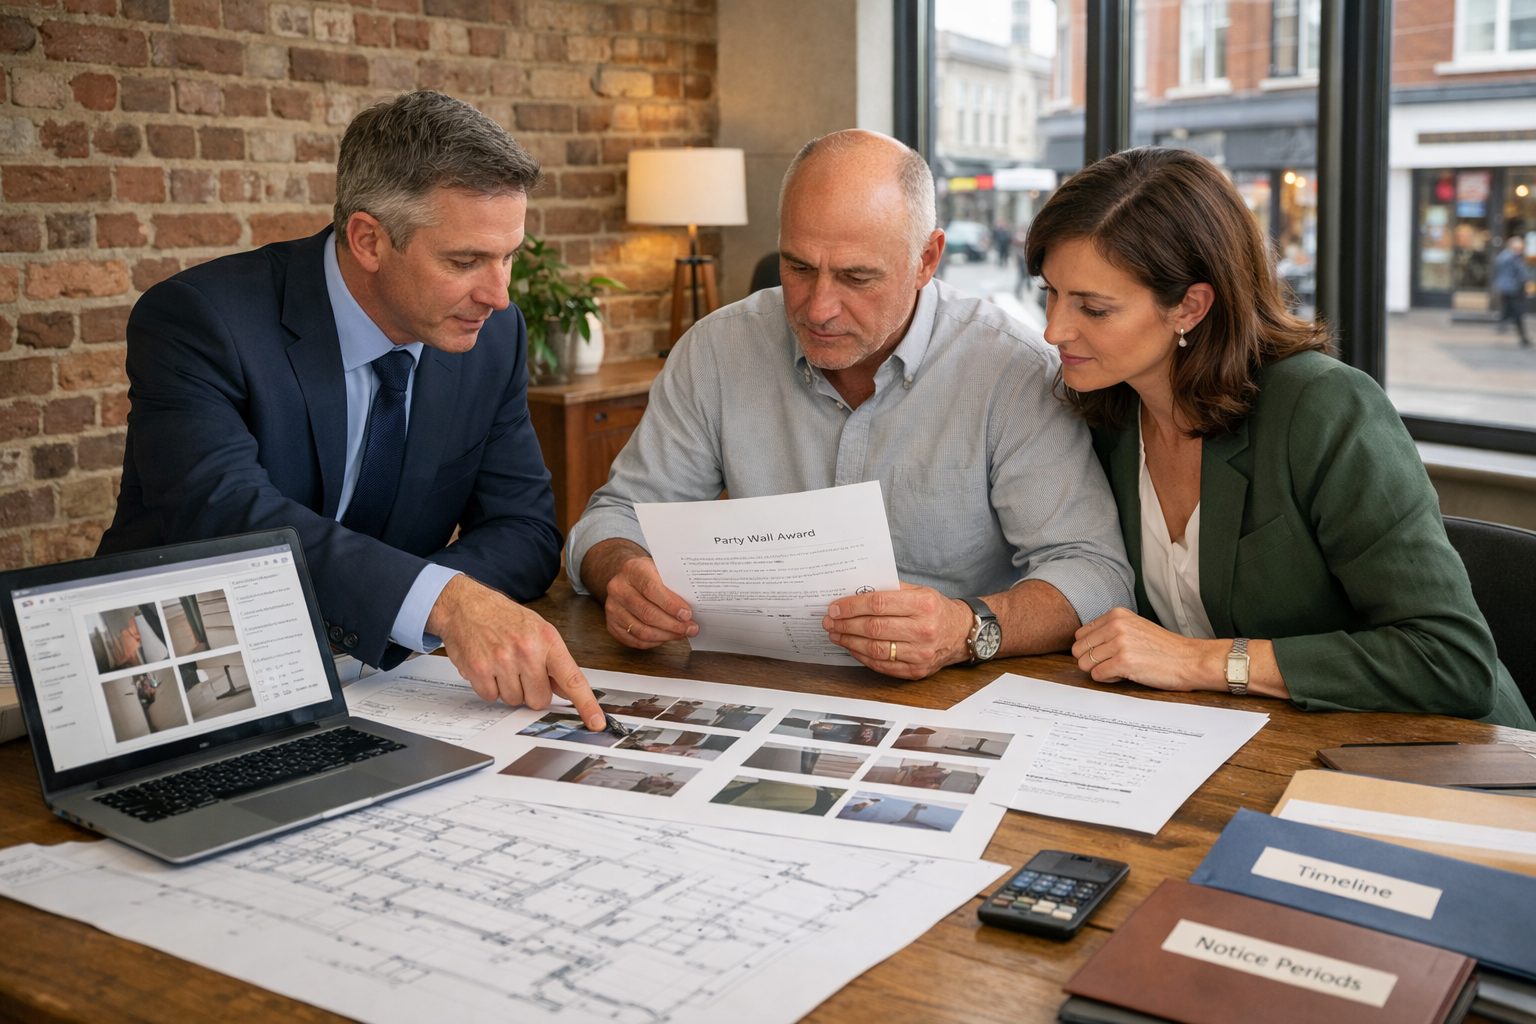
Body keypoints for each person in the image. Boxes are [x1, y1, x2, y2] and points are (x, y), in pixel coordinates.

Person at [98, 91, 605, 730]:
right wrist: (439, 604)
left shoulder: (491, 337)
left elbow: (525, 533)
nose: (498, 294)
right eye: (465, 261)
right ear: (367, 239)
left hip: (384, 686)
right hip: (184, 677)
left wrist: (412, 608)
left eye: (509, 256)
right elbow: (225, 520)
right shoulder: (201, 320)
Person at [566, 130, 1134, 679]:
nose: (818, 309)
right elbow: (613, 519)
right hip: (757, 680)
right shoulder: (717, 351)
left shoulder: (1012, 371)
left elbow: (1093, 572)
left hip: (945, 695)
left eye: (857, 276)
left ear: (926, 259)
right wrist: (622, 572)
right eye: (798, 267)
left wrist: (967, 626)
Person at [1023, 146, 1534, 727]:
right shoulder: (1105, 416)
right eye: (1051, 292)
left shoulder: (1323, 407)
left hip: (1448, 766)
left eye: (1093, 307)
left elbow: (1450, 661)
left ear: (1190, 305)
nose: (1054, 329)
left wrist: (1205, 662)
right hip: (1247, 746)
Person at [1494, 235, 1530, 347]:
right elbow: (1522, 273)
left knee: (1510, 311)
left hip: (1506, 288)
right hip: (1512, 289)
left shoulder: (1503, 256)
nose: (1521, 250)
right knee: (1517, 312)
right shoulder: (1513, 258)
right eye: (1519, 248)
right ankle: (1522, 336)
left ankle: (1504, 323)